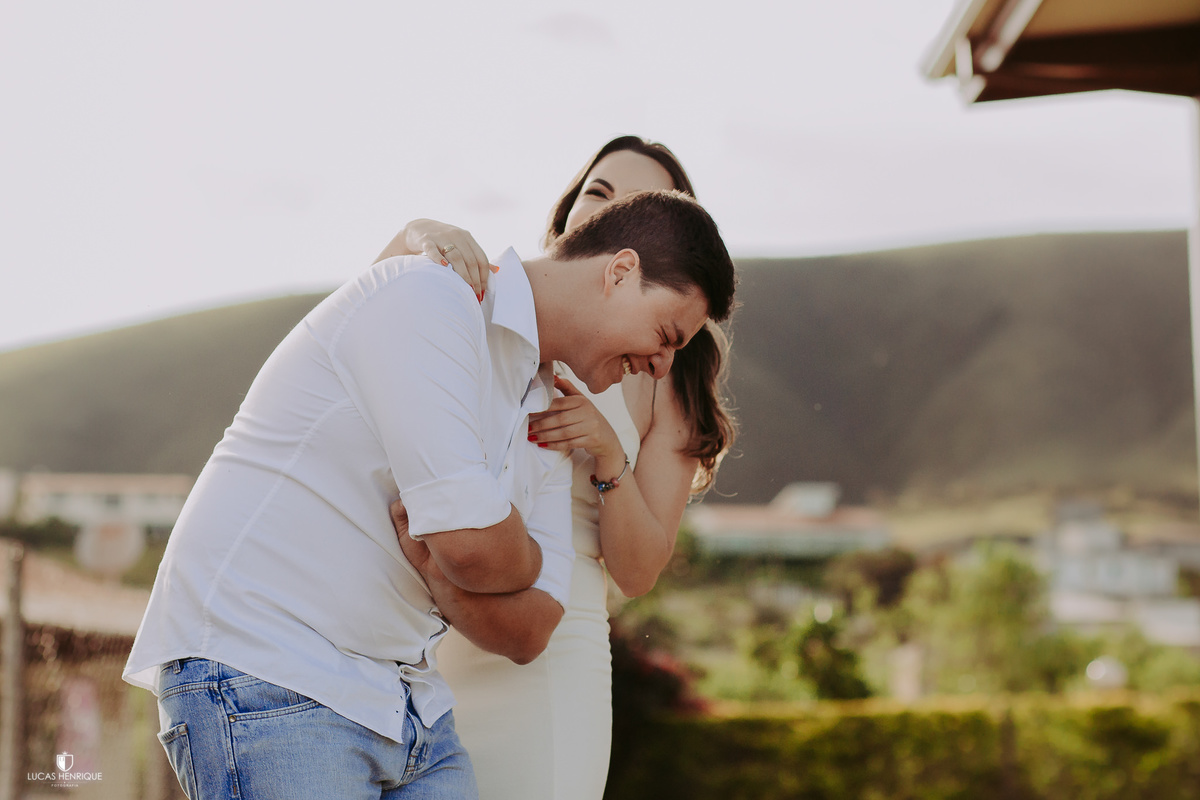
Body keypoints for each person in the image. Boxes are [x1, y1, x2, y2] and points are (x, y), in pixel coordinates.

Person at [122, 187, 737, 800]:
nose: (661, 366)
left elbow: (530, 630)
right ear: (621, 272)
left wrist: (448, 569)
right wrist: (491, 557)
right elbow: (471, 546)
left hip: (408, 708)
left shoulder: (552, 404)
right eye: (666, 334)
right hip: (271, 672)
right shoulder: (432, 297)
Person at [376, 136, 736, 800]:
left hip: (549, 644)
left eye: (634, 203)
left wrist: (610, 458)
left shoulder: (665, 377)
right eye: (598, 192)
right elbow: (378, 328)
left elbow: (638, 569)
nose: (609, 207)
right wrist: (417, 234)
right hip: (424, 626)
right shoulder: (502, 298)